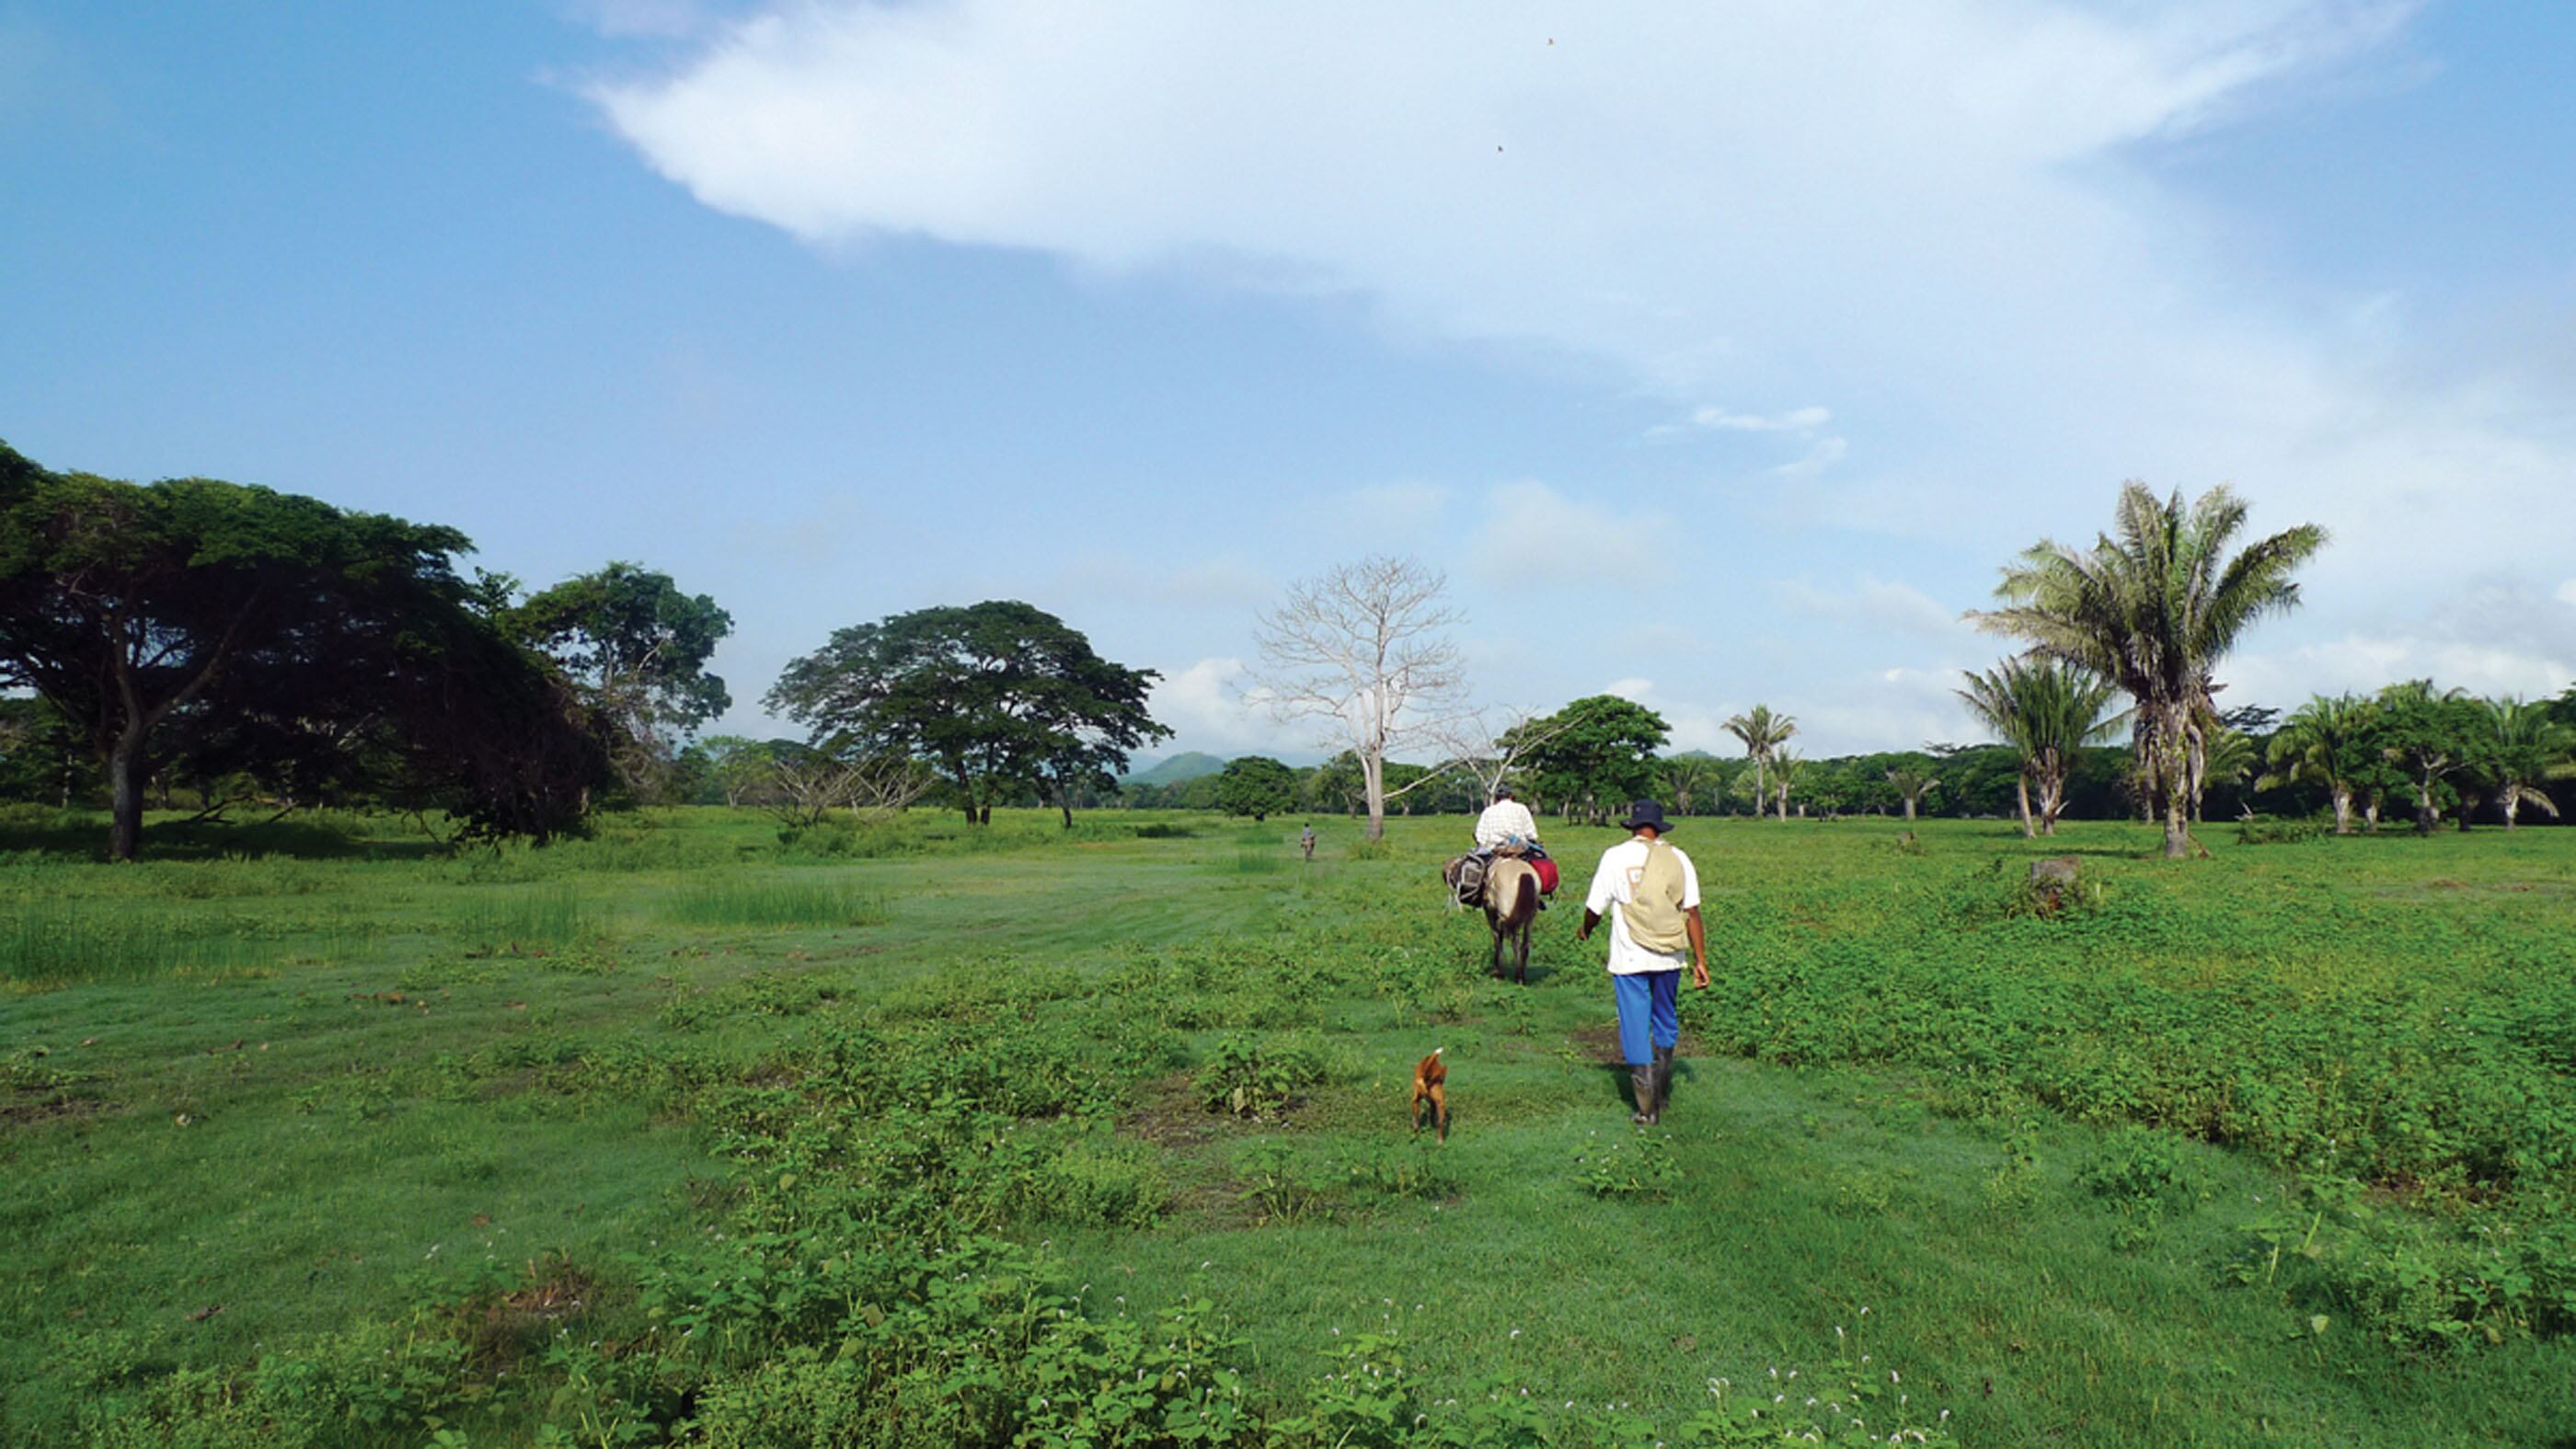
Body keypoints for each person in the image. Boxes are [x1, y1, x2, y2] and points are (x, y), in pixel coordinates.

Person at [1576, 800, 1709, 1125]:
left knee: (1635, 1024)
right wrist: (1700, 960)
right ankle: (1662, 1095)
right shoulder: (1678, 858)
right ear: (1659, 828)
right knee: (1665, 1017)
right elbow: (1691, 912)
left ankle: (1646, 1109)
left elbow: (1595, 907)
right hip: (1670, 955)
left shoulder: (1614, 856)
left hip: (1629, 954)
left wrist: (1586, 929)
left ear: (1632, 827)